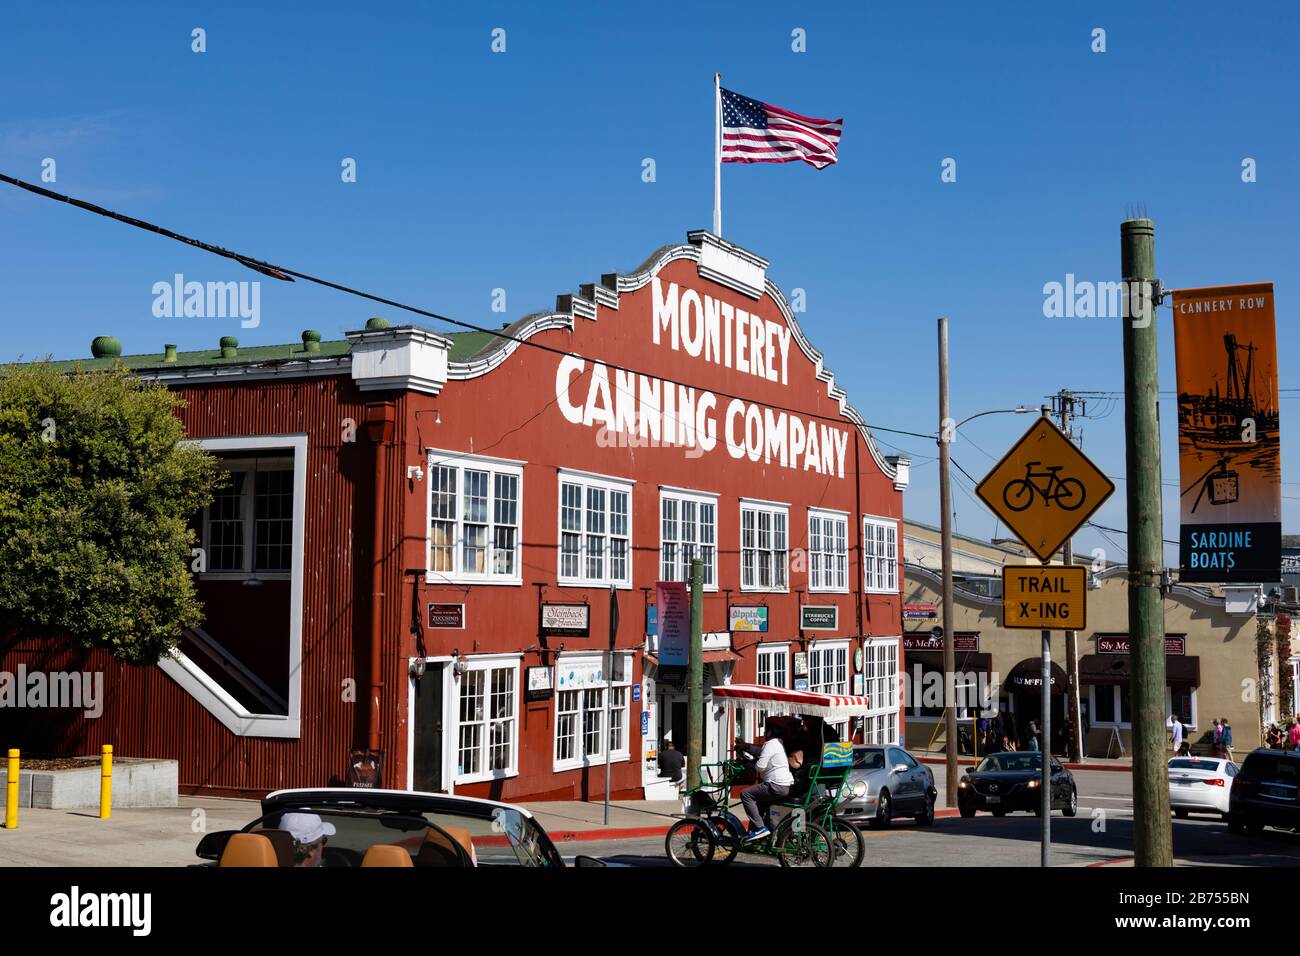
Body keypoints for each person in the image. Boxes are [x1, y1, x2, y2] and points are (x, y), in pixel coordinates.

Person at [739, 721, 794, 842]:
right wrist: (747, 747)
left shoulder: (770, 744)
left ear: (770, 732)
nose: (764, 733)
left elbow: (760, 767)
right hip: (784, 785)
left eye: (765, 730)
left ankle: (760, 828)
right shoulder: (779, 743)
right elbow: (762, 753)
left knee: (746, 794)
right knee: (760, 803)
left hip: (775, 785)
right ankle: (757, 836)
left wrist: (747, 762)